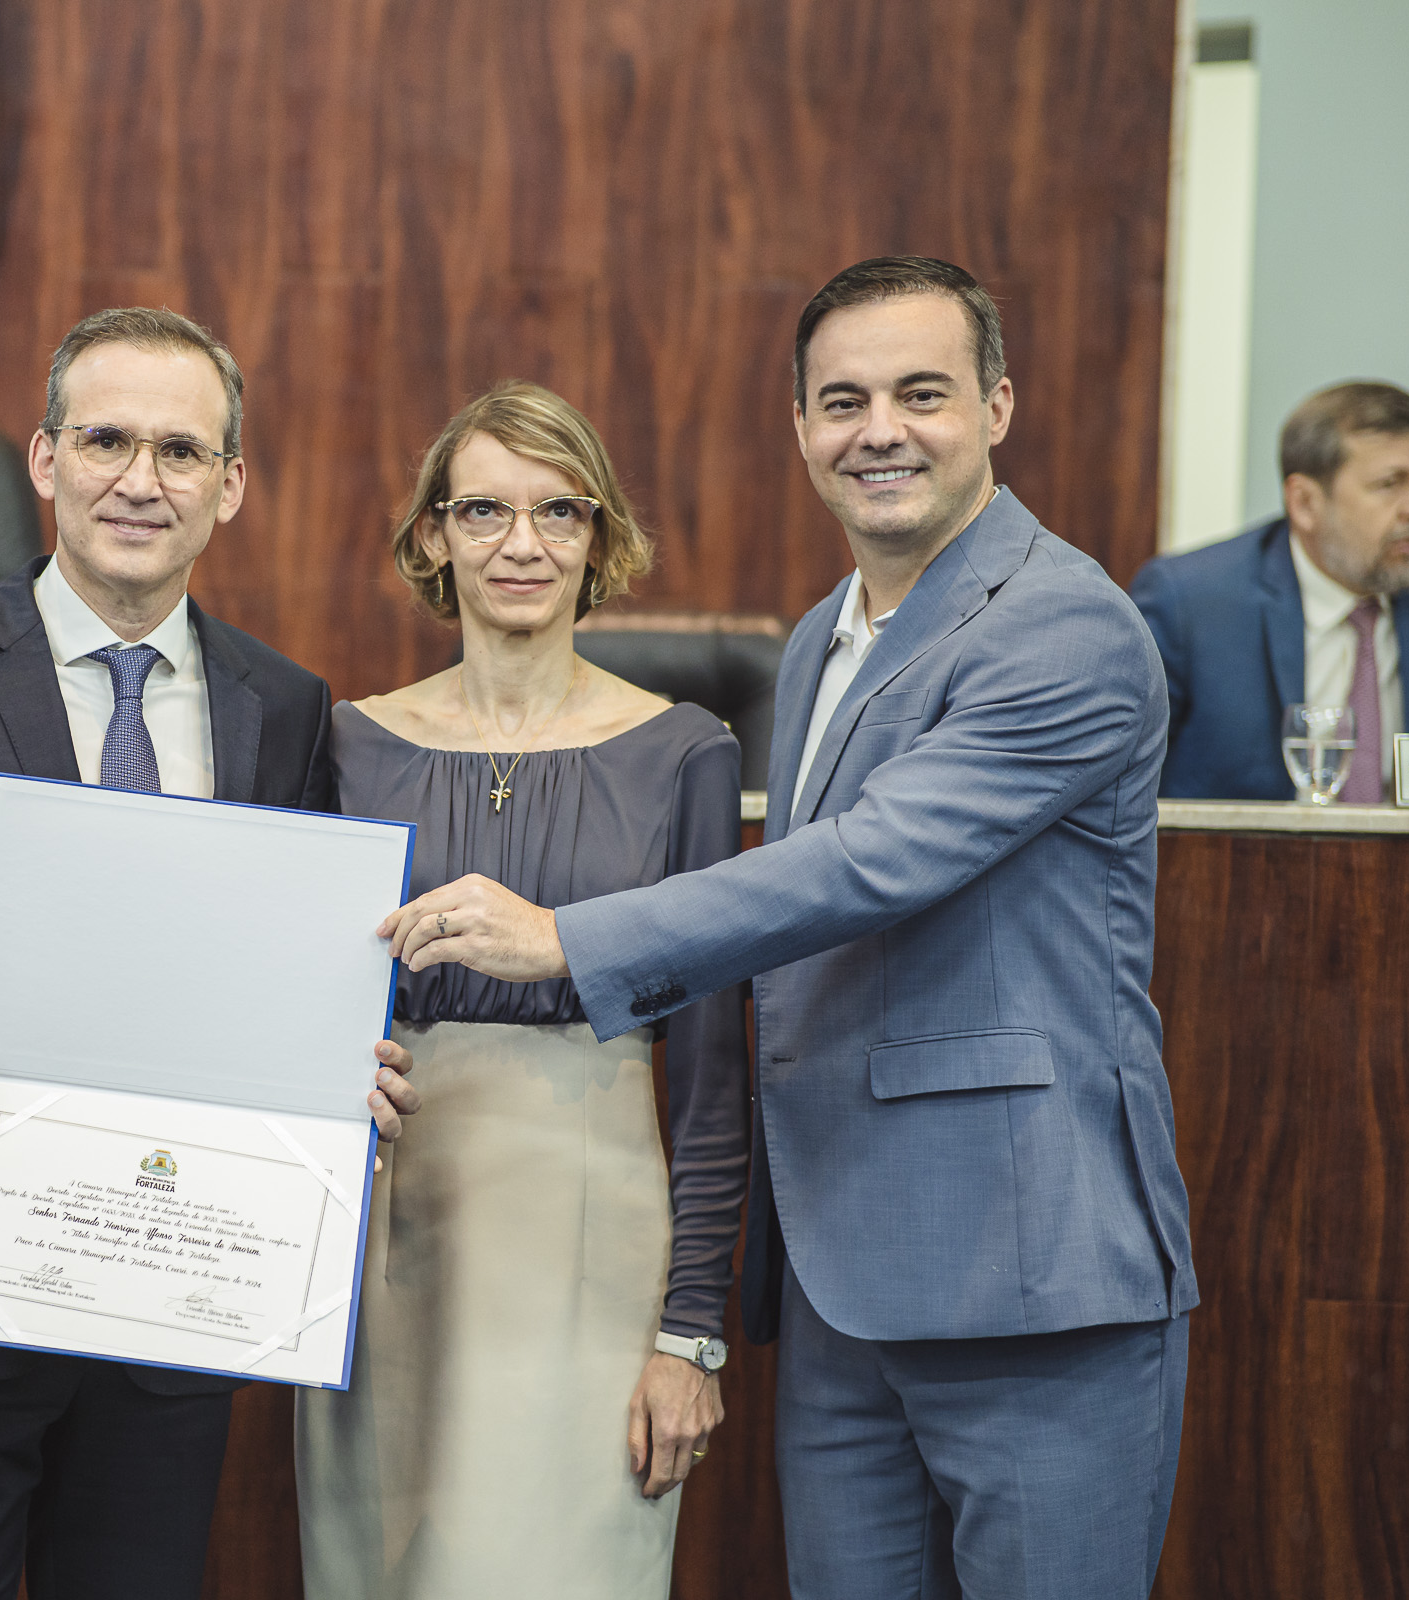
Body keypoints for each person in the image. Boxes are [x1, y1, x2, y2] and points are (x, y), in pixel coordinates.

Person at [378, 258, 1198, 1600]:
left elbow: (868, 867)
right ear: (802, 429)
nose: (878, 430)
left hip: (1027, 1278)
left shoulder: (1069, 627)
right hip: (836, 1289)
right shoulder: (824, 633)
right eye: (842, 400)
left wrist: (565, 939)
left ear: (997, 404)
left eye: (921, 394)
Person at [0, 306, 422, 1600]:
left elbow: (281, 986)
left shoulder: (282, 708)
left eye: (181, 452)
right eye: (107, 439)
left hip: (174, 1314)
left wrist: (345, 1074)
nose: (141, 479)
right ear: (44, 458)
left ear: (232, 485)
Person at [293, 381, 750, 1599]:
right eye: (484, 510)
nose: (523, 544)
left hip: (594, 1229)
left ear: (599, 537)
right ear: (434, 534)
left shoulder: (685, 752)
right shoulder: (342, 742)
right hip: (387, 1225)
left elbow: (712, 1076)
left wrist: (689, 1331)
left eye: (561, 510)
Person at [1131, 382, 1409, 800]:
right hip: (1239, 864)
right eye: (1391, 483)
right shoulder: (1190, 604)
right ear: (1304, 503)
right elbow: (1121, 790)